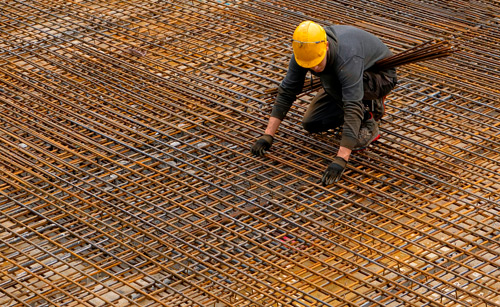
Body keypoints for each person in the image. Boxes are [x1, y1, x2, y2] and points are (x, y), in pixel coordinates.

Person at [251, 20, 397, 186]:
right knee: (312, 123)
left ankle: (369, 118)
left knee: (332, 82)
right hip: (341, 79)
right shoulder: (304, 50)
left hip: (379, 77)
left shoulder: (346, 57)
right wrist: (267, 135)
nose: (314, 69)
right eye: (310, 66)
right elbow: (287, 90)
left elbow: (352, 104)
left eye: (317, 63)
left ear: (326, 46)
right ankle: (357, 104)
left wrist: (341, 159)